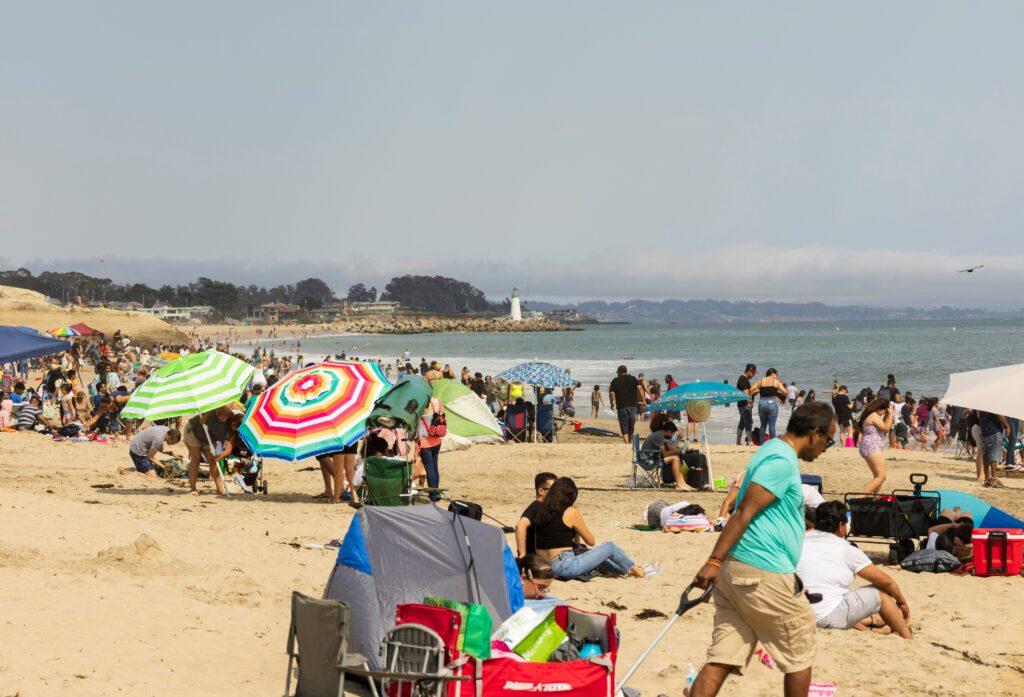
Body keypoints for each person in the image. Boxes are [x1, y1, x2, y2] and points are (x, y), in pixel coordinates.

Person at [690, 402, 836, 697]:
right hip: (760, 570)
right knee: (800, 647)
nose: (827, 448)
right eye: (829, 440)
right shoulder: (781, 460)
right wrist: (713, 561)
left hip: (738, 573)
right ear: (814, 432)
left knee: (723, 657)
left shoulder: (772, 450)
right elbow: (743, 511)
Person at [797, 501, 913, 639]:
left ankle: (873, 628)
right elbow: (887, 583)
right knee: (881, 593)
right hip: (825, 616)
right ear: (840, 526)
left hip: (799, 615)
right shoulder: (845, 549)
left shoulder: (799, 542)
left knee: (840, 595)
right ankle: (907, 637)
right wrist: (901, 602)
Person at [522, 477, 659, 579]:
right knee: (609, 547)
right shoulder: (570, 512)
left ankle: (628, 570)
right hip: (563, 566)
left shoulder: (541, 510)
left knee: (594, 556)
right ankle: (639, 571)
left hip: (544, 566)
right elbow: (590, 541)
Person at [183, 405, 236, 495]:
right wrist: (206, 415)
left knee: (213, 461)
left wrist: (220, 455)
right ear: (233, 420)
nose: (234, 427)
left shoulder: (234, 433)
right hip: (194, 430)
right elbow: (204, 418)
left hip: (208, 437)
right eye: (234, 425)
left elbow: (229, 448)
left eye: (237, 428)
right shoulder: (227, 412)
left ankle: (220, 490)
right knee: (195, 458)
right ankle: (193, 489)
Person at [515, 471, 558, 556]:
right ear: (541, 491)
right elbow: (519, 526)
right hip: (534, 559)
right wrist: (523, 555)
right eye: (553, 490)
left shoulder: (543, 507)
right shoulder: (537, 507)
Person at [856, 398, 893, 494]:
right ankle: (860, 498)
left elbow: (884, 425)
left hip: (870, 446)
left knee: (877, 476)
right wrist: (891, 414)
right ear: (880, 408)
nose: (884, 413)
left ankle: (875, 498)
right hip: (872, 447)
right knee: (881, 477)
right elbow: (886, 428)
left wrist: (888, 415)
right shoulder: (873, 415)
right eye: (884, 410)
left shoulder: (872, 415)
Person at [641, 421, 690, 490]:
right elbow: (665, 454)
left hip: (650, 458)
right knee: (675, 458)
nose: (671, 436)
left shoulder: (659, 435)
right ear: (669, 432)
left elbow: (668, 449)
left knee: (676, 457)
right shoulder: (658, 436)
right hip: (648, 462)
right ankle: (679, 484)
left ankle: (682, 483)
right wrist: (676, 452)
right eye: (672, 434)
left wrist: (675, 451)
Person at [416, 394, 446, 501]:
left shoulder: (422, 405)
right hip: (437, 440)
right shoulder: (438, 402)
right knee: (434, 467)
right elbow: (442, 415)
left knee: (429, 469)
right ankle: (436, 491)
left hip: (425, 442)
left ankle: (434, 494)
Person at [747, 368, 786, 441]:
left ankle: (762, 444)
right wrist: (777, 393)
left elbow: (751, 390)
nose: (776, 376)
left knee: (763, 425)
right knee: (772, 425)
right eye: (776, 374)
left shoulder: (761, 381)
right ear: (772, 374)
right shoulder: (775, 382)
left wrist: (754, 394)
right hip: (772, 403)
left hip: (762, 403)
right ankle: (772, 444)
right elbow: (785, 392)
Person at [609, 365, 643, 444]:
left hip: (621, 406)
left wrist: (611, 404)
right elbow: (640, 388)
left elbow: (611, 393)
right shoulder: (633, 379)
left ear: (620, 372)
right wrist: (644, 400)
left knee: (624, 424)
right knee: (631, 425)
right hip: (633, 406)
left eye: (617, 372)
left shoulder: (615, 381)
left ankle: (627, 443)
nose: (617, 373)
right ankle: (629, 442)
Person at [978, 410, 1010, 488]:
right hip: (994, 430)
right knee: (994, 454)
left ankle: (987, 479)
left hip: (985, 430)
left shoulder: (982, 403)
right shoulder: (993, 400)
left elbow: (979, 416)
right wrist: (1006, 426)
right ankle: (994, 479)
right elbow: (998, 413)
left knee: (986, 455)